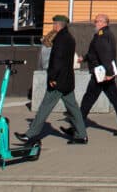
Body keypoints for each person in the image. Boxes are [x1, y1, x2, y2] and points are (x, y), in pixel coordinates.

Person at [18, 15, 88, 146]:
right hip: (67, 80)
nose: (53, 26)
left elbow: (57, 60)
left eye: (54, 24)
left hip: (58, 81)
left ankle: (31, 134)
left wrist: (52, 78)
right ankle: (81, 135)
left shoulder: (60, 39)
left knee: (45, 107)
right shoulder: (70, 38)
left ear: (58, 25)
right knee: (73, 108)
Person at [79, 13, 117, 136]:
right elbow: (95, 53)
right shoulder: (105, 34)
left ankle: (78, 127)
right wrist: (84, 58)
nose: (95, 23)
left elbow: (105, 55)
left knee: (88, 100)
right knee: (115, 101)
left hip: (101, 74)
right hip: (103, 73)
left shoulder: (102, 36)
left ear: (104, 23)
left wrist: (109, 73)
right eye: (95, 21)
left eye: (97, 21)